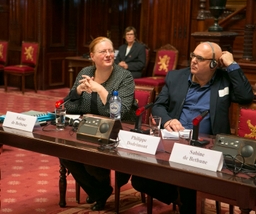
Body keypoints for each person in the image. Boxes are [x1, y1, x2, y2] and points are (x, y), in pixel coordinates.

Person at [131, 42, 254, 214]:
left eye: (200, 58)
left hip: (207, 146)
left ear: (214, 64)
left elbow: (246, 96)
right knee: (139, 178)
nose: (194, 61)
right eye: (193, 56)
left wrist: (232, 65)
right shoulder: (176, 77)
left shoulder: (223, 80)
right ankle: (179, 197)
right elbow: (159, 105)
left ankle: (187, 200)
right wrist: (168, 120)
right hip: (173, 141)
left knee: (189, 179)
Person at [60, 37, 137, 211]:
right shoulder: (85, 72)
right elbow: (69, 107)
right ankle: (100, 191)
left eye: (111, 51)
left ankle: (98, 192)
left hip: (118, 132)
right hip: (89, 129)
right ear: (92, 56)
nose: (109, 55)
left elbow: (120, 113)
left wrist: (100, 89)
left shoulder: (124, 76)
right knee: (65, 153)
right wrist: (78, 91)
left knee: (91, 155)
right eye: (103, 52)